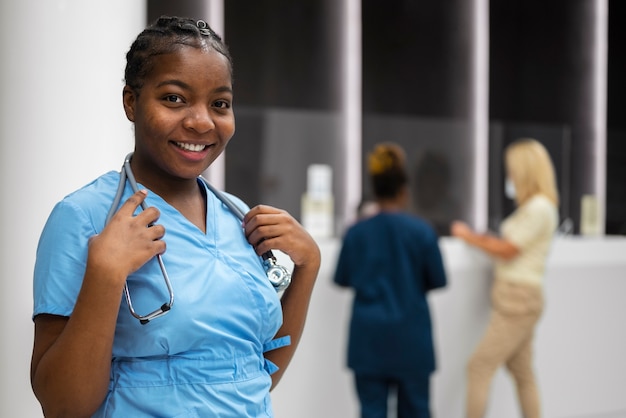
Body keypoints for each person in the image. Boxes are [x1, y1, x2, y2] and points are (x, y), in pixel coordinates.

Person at [30, 16, 320, 417]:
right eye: (174, 98)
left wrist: (307, 269)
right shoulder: (84, 217)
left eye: (220, 104)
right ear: (131, 102)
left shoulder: (239, 218)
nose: (201, 121)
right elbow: (62, 406)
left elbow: (254, 372)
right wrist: (106, 275)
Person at [333, 142, 448, 418]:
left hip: (368, 341)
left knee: (371, 412)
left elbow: (342, 278)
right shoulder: (421, 232)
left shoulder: (356, 233)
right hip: (412, 340)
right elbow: (438, 280)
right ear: (404, 191)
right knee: (417, 411)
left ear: (374, 189)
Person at [450, 138, 559, 418]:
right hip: (519, 297)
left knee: (479, 367)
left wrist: (468, 236)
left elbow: (509, 250)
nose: (509, 177)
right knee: (522, 371)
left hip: (518, 299)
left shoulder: (539, 208)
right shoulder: (534, 208)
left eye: (512, 171)